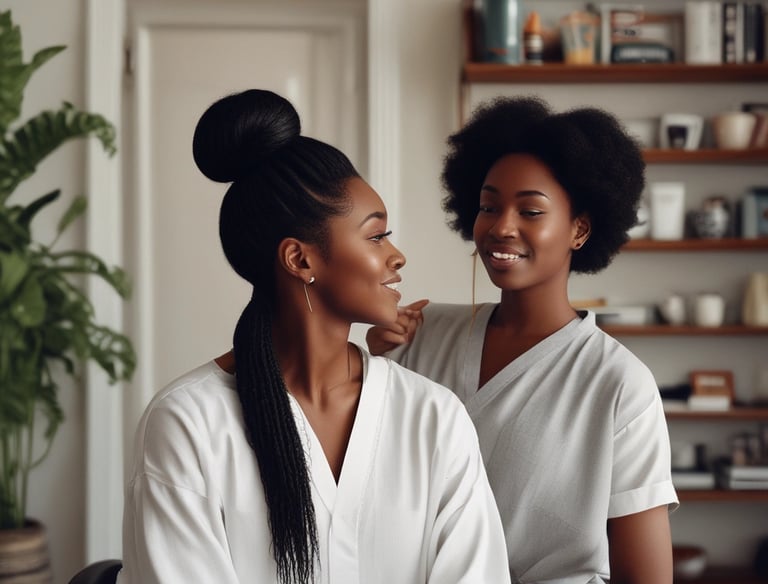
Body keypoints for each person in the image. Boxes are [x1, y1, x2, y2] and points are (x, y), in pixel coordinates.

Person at [117, 89, 510, 584]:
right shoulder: (188, 424)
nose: (397, 256)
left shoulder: (432, 416)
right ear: (300, 259)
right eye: (375, 235)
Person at [367, 96, 679, 584]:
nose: (501, 227)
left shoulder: (619, 385)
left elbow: (647, 577)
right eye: (488, 206)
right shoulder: (421, 336)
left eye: (530, 210)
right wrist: (371, 365)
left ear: (579, 229)